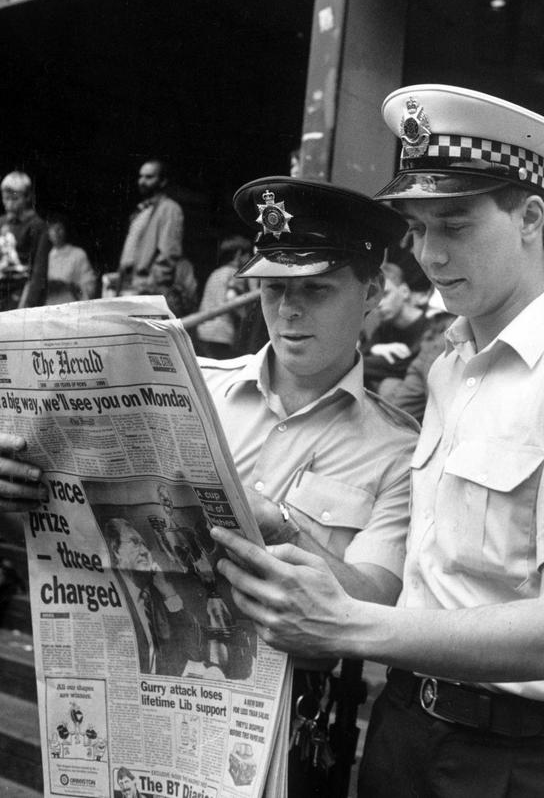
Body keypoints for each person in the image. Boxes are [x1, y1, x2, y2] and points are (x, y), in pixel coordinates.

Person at [209, 86, 544, 798]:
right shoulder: (449, 368)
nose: (430, 254)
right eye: (416, 228)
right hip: (405, 728)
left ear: (531, 218)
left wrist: (351, 624)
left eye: (454, 223)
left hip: (514, 752)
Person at [0, 176, 418, 797]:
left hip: (283, 721)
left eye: (316, 290)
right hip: (139, 689)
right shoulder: (198, 389)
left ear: (372, 292)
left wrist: (280, 524)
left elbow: (375, 604)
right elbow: (76, 537)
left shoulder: (398, 448)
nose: (289, 311)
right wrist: (18, 486)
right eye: (274, 289)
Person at [103, 517, 206, 676]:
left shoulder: (158, 595)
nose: (144, 551)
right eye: (135, 543)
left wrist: (169, 593)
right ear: (116, 550)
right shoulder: (108, 593)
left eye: (144, 544)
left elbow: (194, 648)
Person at [105, 159, 184, 298]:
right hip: (128, 286)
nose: (142, 181)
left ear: (163, 181)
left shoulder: (169, 209)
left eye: (149, 177)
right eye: (140, 176)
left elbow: (168, 253)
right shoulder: (141, 211)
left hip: (145, 290)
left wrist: (149, 286)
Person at [360, 261, 428, 392]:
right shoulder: (385, 328)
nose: (378, 305)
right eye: (372, 299)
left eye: (385, 295)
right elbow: (360, 355)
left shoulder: (431, 326)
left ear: (404, 291)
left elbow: (402, 367)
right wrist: (375, 348)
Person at [196, 234, 253, 357]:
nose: (249, 258)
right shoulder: (235, 273)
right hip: (221, 333)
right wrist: (245, 316)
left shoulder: (216, 273)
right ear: (238, 254)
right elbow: (231, 297)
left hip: (204, 330)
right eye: (248, 254)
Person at [0, 171, 50, 311]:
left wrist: (29, 304)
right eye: (5, 198)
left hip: (21, 292)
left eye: (14, 199)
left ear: (27, 197)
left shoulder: (37, 226)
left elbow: (39, 270)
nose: (9, 203)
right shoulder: (2, 223)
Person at [45, 212, 97, 304]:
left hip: (71, 305)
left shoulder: (78, 254)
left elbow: (89, 285)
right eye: (53, 229)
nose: (56, 232)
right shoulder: (44, 257)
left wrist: (71, 287)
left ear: (65, 230)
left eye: (59, 228)